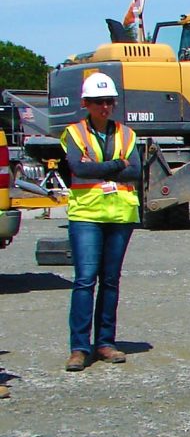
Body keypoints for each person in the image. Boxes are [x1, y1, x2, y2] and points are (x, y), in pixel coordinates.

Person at [61, 72, 142, 372]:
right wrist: (115, 165)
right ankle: (79, 348)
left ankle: (105, 342)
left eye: (109, 101)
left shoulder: (127, 134)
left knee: (110, 281)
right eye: (98, 102)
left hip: (120, 214)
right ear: (86, 103)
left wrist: (99, 168)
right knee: (84, 280)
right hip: (86, 214)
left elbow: (135, 171)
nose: (104, 107)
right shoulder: (73, 133)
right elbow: (76, 169)